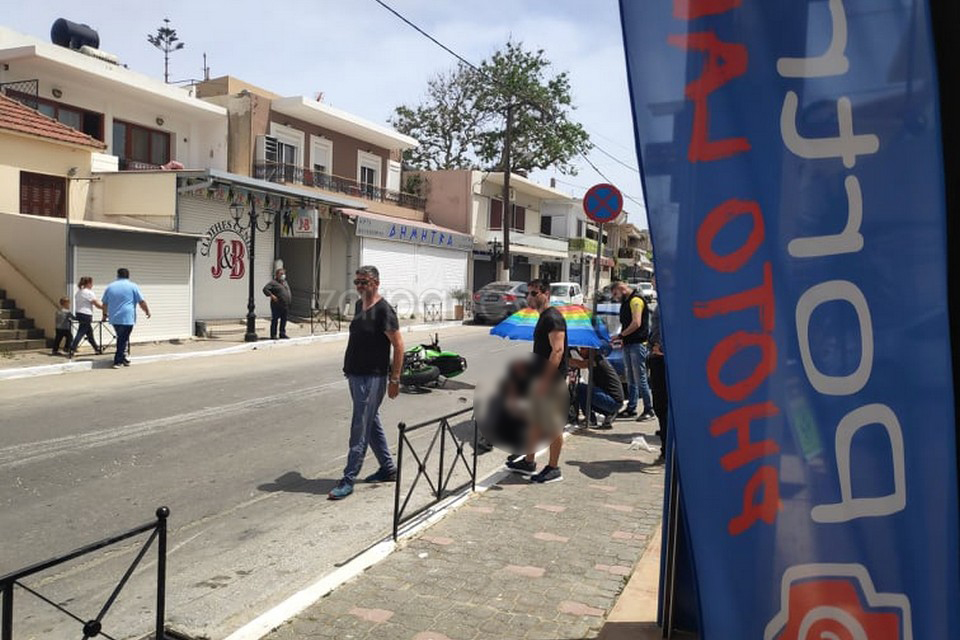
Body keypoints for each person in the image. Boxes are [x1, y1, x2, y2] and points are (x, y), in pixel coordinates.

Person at [329, 265, 404, 501]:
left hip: (373, 376)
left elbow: (399, 345)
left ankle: (348, 478)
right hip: (355, 374)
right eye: (357, 282)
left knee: (360, 425)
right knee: (370, 422)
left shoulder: (384, 310)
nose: (360, 286)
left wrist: (394, 378)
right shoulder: (359, 305)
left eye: (365, 282)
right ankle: (388, 468)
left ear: (376, 283)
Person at [506, 279, 569, 484]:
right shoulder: (544, 317)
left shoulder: (553, 318)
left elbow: (557, 350)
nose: (529, 297)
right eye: (528, 293)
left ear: (546, 294)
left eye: (534, 293)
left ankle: (554, 468)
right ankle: (529, 461)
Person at [611, 280, 655, 421]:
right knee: (630, 378)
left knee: (640, 377)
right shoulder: (626, 301)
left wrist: (621, 335)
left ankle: (648, 409)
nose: (615, 298)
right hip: (628, 343)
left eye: (616, 294)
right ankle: (631, 407)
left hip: (638, 343)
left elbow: (636, 323)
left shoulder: (636, 300)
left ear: (622, 288)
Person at [101, 268, 150, 369]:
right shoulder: (133, 286)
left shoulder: (110, 287)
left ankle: (123, 358)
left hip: (114, 318)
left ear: (117, 275)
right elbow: (141, 301)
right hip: (127, 317)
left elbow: (105, 303)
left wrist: (104, 315)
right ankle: (117, 361)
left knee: (122, 337)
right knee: (122, 338)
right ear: (128, 275)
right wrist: (147, 311)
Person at [569, 347, 625, 430]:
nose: (581, 351)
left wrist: (564, 359)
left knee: (581, 388)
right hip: (611, 400)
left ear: (591, 350)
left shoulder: (597, 360)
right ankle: (604, 414)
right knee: (586, 392)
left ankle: (590, 419)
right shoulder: (597, 360)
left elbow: (581, 364)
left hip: (613, 401)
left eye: (583, 349)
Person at [647, 292, 668, 464]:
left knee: (663, 405)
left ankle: (667, 450)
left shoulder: (671, 304)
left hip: (662, 360)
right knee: (660, 406)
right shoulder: (662, 303)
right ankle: (665, 447)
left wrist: (661, 348)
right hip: (656, 358)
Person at [68, 276, 103, 357]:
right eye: (91, 283)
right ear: (88, 283)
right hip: (86, 314)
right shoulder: (89, 293)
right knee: (81, 332)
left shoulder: (78, 292)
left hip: (79, 313)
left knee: (89, 333)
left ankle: (96, 348)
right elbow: (96, 304)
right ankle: (72, 348)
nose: (92, 285)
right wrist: (104, 308)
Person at [263, 267, 291, 340]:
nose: (283, 275)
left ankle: (282, 333)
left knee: (284, 320)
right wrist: (272, 296)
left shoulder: (285, 282)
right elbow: (265, 289)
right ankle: (273, 334)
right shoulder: (273, 283)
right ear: (277, 275)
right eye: (281, 274)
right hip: (277, 305)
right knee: (275, 320)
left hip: (285, 305)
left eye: (284, 273)